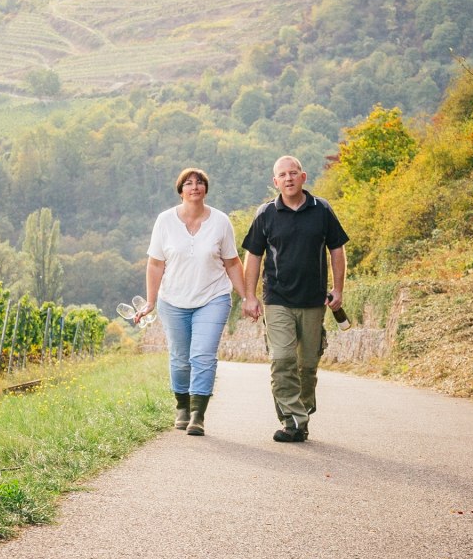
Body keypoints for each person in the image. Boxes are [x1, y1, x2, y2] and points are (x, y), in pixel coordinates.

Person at [240, 155, 349, 442]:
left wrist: (338, 289)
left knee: (307, 365)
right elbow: (253, 256)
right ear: (275, 182)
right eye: (282, 175)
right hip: (277, 299)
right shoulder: (265, 214)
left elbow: (337, 250)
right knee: (283, 358)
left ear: (303, 176)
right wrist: (249, 296)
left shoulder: (322, 210)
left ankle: (301, 416)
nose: (288, 179)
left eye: (293, 173)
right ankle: (292, 420)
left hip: (314, 301)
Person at [135, 168, 248, 436]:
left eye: (199, 183)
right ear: (180, 190)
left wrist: (247, 296)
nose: (194, 186)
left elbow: (232, 262)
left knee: (203, 355)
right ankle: (182, 408)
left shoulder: (220, 221)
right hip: (173, 300)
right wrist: (150, 302)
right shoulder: (164, 221)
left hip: (213, 297)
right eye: (188, 183)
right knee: (180, 357)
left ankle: (198, 414)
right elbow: (155, 264)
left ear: (205, 190)